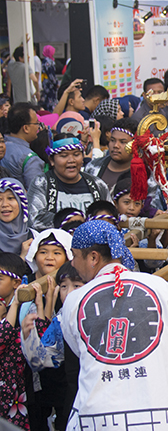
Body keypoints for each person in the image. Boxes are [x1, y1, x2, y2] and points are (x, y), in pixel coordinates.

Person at [61, 220, 168, 431]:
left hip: (98, 416)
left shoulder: (75, 299)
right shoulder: (158, 286)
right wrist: (159, 362)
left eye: (75, 255)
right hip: (155, 409)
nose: (72, 262)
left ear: (93, 258)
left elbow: (81, 349)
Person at [20, 262, 84, 431]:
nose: (69, 292)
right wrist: (29, 336)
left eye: (77, 286)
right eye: (63, 286)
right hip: (72, 401)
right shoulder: (61, 320)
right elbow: (41, 361)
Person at [27, 134, 110, 231]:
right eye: (64, 156)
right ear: (51, 160)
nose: (71, 160)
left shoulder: (98, 184)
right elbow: (34, 218)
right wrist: (73, 222)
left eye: (76, 154)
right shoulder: (41, 183)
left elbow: (110, 216)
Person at [0, 253, 31, 430]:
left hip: (15, 386)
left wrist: (17, 304)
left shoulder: (27, 305)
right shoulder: (11, 306)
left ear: (16, 283)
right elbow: (2, 337)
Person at [1, 103, 44, 189]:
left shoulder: (4, 145)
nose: (38, 127)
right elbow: (36, 194)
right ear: (26, 128)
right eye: (36, 123)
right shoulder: (30, 159)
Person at [0, 178, 31, 257]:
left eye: (10, 198)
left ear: (22, 203)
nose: (4, 204)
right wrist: (22, 258)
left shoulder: (34, 238)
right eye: (0, 199)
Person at [40, 46, 59, 112]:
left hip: (46, 84)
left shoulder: (45, 61)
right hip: (50, 85)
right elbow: (51, 74)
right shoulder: (48, 62)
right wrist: (56, 82)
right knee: (51, 101)